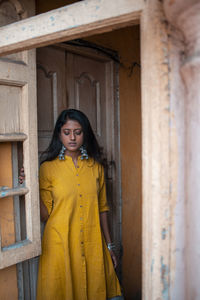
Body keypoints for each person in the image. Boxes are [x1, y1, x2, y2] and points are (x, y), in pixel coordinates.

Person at [32, 109, 122, 300]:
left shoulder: (95, 167)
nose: (72, 137)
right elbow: (45, 215)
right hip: (60, 244)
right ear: (59, 134)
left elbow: (102, 208)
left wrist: (109, 246)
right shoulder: (48, 168)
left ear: (85, 134)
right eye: (66, 132)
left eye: (78, 132)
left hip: (93, 244)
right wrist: (31, 186)